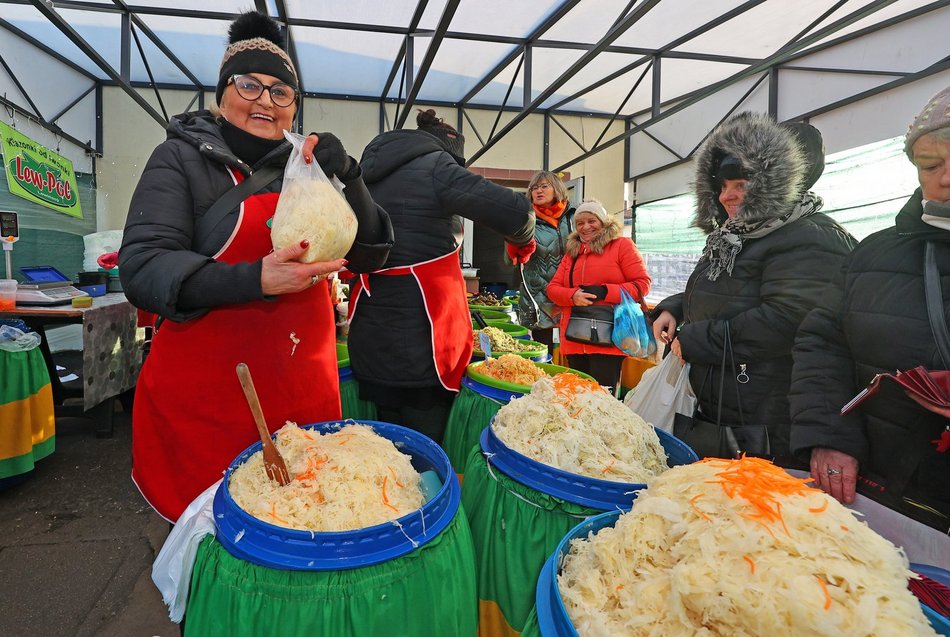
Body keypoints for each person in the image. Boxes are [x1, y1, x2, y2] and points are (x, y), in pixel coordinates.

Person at [118, 11, 393, 522]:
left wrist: (350, 176)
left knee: (306, 523)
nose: (265, 101)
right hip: (210, 397)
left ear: (293, 106)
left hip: (301, 393)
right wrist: (255, 279)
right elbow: (143, 266)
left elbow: (371, 252)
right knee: (213, 545)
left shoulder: (304, 169)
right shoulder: (179, 159)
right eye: (250, 86)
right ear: (222, 93)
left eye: (280, 92)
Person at [651, 112, 856, 464]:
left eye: (741, 185)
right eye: (722, 185)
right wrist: (676, 307)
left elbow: (787, 320)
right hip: (724, 399)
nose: (726, 196)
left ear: (774, 183)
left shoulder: (812, 238)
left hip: (768, 413)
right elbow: (723, 290)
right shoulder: (737, 236)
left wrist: (699, 339)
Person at [789, 87, 950, 531]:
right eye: (930, 165)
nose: (946, 178)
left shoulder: (815, 237)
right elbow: (823, 340)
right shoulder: (874, 254)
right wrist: (829, 437)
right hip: (880, 492)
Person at [349, 109, 535, 444]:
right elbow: (518, 214)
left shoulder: (365, 170)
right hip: (424, 343)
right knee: (424, 451)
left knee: (386, 446)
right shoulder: (437, 165)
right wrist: (523, 239)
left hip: (370, 334)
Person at [546, 199, 651, 389]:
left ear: (603, 222)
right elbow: (552, 289)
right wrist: (573, 295)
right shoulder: (572, 254)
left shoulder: (622, 246)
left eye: (591, 221)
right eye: (580, 223)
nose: (586, 227)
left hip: (610, 339)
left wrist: (606, 291)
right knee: (576, 395)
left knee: (603, 398)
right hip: (574, 338)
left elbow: (642, 285)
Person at [506, 171, 575, 354]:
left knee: (574, 348)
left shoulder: (573, 217)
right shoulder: (525, 219)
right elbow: (509, 260)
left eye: (544, 186)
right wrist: (514, 244)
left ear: (557, 189)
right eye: (534, 188)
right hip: (538, 295)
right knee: (544, 351)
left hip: (570, 293)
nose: (538, 191)